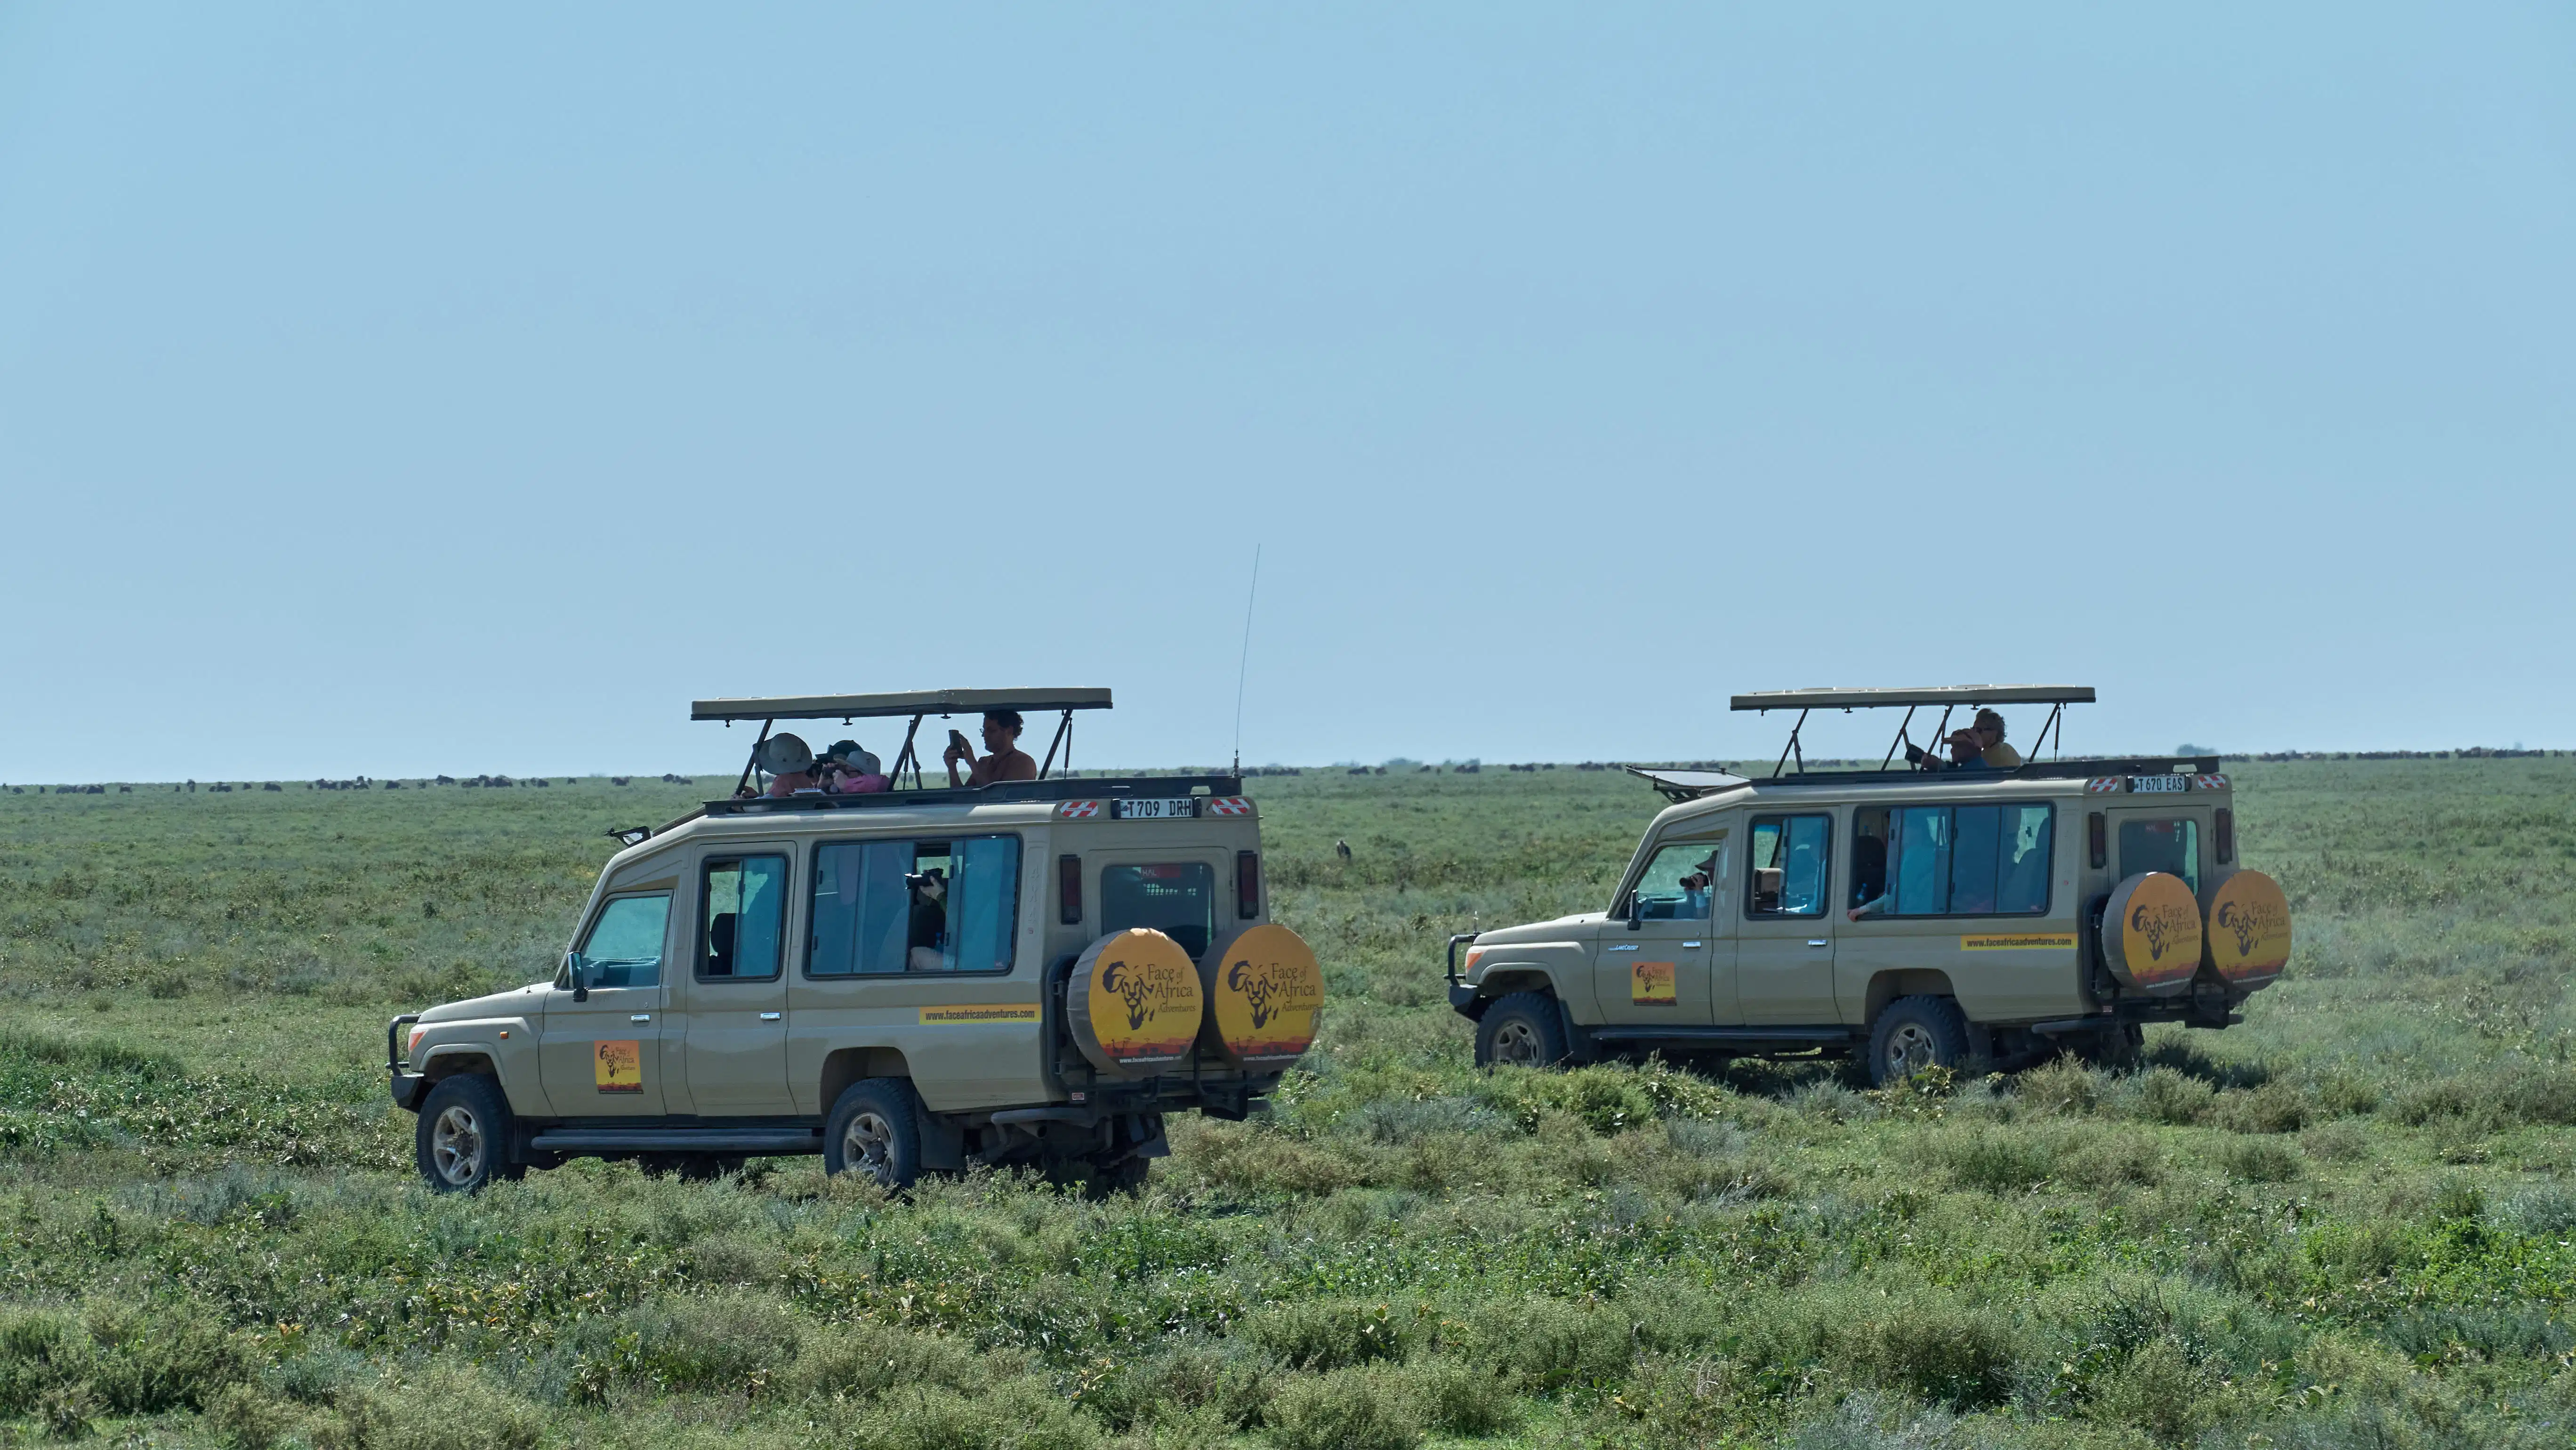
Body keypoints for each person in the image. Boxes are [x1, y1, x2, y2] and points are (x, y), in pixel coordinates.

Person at [944, 710, 1038, 787]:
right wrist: (952, 767)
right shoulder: (984, 762)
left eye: (991, 731)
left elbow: (998, 798)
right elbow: (962, 798)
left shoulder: (1023, 762)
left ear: (1009, 731)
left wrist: (972, 762)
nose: (984, 736)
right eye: (984, 730)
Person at [821, 741, 892, 795]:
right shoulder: (850, 790)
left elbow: (881, 783)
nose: (845, 774)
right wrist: (822, 784)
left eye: (848, 772)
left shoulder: (879, 784)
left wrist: (846, 784)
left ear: (862, 775)